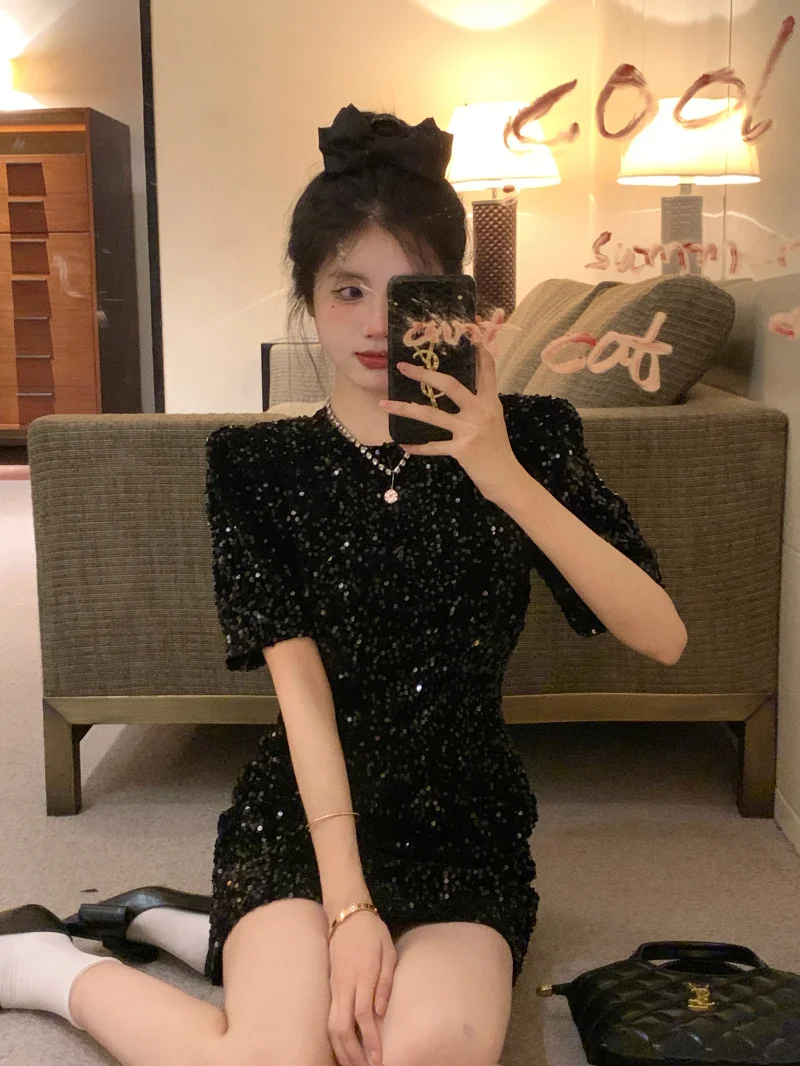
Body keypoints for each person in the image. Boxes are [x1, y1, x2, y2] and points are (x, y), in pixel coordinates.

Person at [0, 104, 686, 1066]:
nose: (374, 325)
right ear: (308, 296)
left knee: (422, 1056)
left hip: (462, 825)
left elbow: (662, 636)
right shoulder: (256, 466)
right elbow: (302, 699)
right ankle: (44, 966)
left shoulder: (530, 437)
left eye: (406, 295)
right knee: (275, 1060)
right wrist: (349, 906)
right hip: (305, 819)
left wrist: (499, 472)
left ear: (458, 303)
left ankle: (196, 933)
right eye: (348, 289)